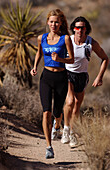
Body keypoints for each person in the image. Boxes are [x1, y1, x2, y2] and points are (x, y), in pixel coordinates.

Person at [30, 9, 74, 159]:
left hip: (61, 77)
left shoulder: (65, 39)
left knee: (57, 112)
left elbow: (72, 59)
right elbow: (39, 53)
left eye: (56, 22)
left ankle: (57, 124)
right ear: (48, 22)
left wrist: (60, 59)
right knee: (46, 111)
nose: (54, 24)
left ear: (60, 23)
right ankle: (49, 147)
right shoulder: (41, 38)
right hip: (46, 77)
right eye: (51, 22)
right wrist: (35, 66)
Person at [60, 16, 109, 148]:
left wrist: (99, 76)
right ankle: (65, 129)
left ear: (86, 29)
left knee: (77, 105)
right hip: (67, 73)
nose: (79, 30)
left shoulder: (90, 42)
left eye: (82, 27)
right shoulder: (68, 40)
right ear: (73, 29)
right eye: (77, 27)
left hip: (82, 76)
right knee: (69, 101)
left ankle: (73, 133)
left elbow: (105, 58)